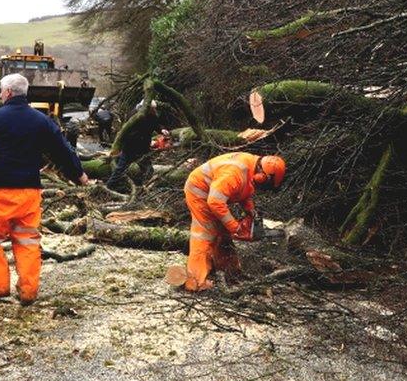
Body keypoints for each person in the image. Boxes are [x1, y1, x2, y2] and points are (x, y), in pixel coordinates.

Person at [0, 74, 89, 305]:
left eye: (0, 91)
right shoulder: (41, 120)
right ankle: (28, 292)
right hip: (28, 190)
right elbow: (62, 150)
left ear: (7, 93)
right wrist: (79, 175)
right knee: (27, 241)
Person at [178, 152, 286, 291]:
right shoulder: (235, 173)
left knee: (223, 233)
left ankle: (229, 271)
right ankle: (196, 282)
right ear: (262, 175)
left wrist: (250, 211)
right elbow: (215, 202)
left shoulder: (250, 166)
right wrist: (234, 226)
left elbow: (243, 190)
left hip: (213, 194)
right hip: (199, 191)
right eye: (264, 183)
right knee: (205, 234)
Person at [105, 100, 169, 193]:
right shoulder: (134, 115)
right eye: (152, 109)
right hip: (131, 147)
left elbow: (156, 125)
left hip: (143, 148)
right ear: (146, 108)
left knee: (148, 169)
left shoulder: (152, 116)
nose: (154, 110)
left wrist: (162, 130)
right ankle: (109, 187)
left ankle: (142, 187)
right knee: (120, 168)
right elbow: (126, 131)